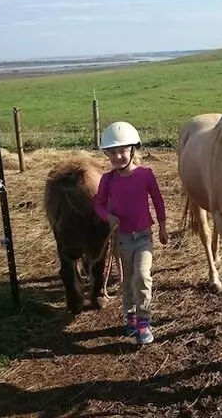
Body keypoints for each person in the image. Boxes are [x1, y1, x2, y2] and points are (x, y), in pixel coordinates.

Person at [94, 121, 168, 345]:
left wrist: (163, 225)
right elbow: (98, 204)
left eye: (122, 151)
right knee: (127, 280)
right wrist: (108, 217)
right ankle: (130, 315)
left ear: (132, 150)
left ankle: (144, 322)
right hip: (122, 239)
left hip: (143, 236)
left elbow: (157, 200)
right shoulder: (107, 179)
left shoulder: (145, 174)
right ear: (107, 154)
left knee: (143, 276)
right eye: (112, 152)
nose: (118, 157)